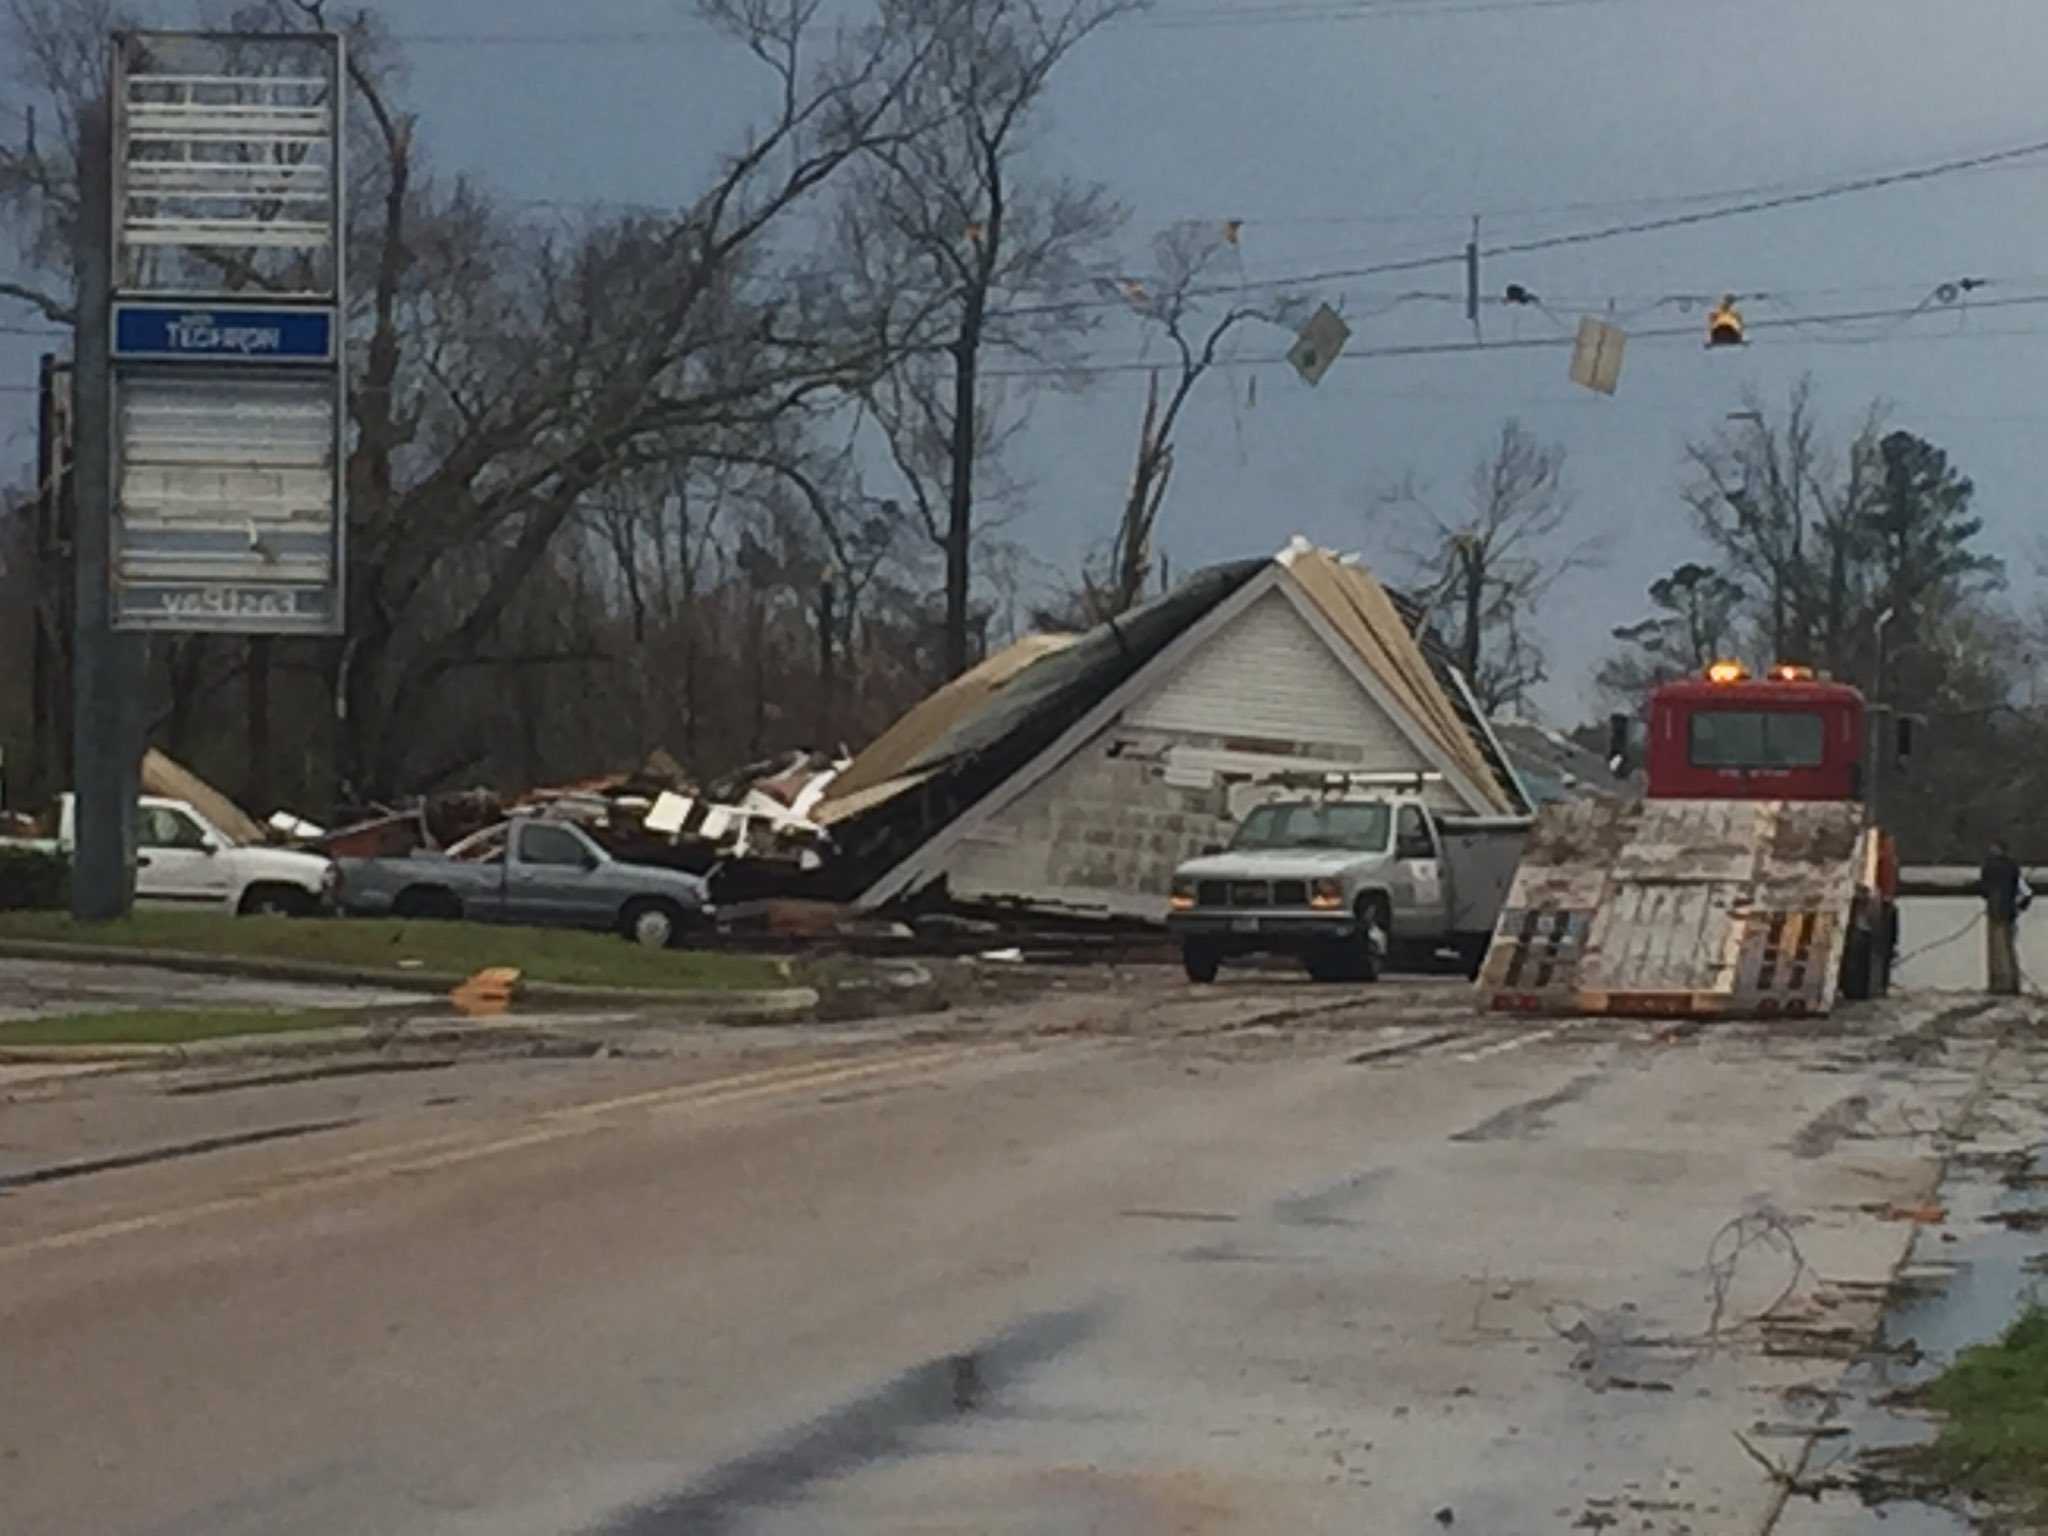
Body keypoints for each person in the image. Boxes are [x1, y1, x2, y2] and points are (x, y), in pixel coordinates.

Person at [1980, 840, 2023, 996]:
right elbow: (2022, 889)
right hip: (2009, 912)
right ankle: (2012, 982)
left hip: (1996, 911)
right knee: (2009, 947)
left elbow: (1984, 889)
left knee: (1997, 949)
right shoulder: (2013, 866)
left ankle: (1999, 984)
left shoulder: (1990, 866)